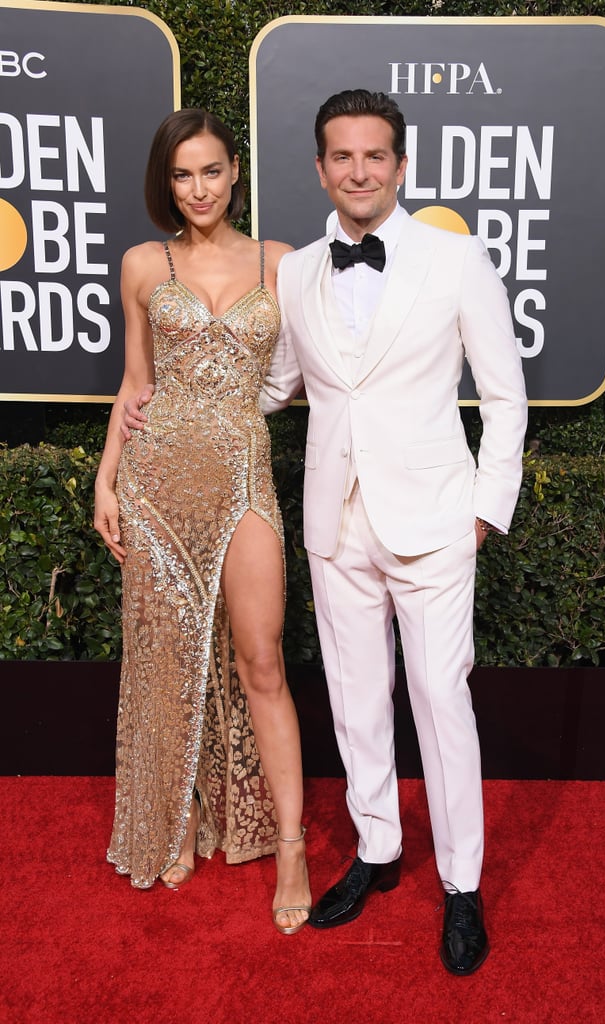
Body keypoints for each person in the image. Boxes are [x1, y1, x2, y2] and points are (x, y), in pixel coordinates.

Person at [125, 89, 528, 974]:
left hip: (431, 522)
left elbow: (504, 398)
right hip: (332, 521)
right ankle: (377, 849)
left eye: (374, 156)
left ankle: (461, 886)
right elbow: (275, 387)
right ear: (319, 168)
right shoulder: (297, 271)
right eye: (340, 157)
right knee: (354, 699)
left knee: (439, 700)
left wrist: (480, 514)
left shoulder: (457, 262)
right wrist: (179, 404)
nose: (357, 170)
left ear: (400, 165)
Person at [93, 109, 311, 935]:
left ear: (234, 173)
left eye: (211, 171)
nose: (198, 190)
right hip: (155, 484)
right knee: (166, 659)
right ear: (167, 181)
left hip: (245, 476)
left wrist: (240, 414)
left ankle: (288, 843)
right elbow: (134, 384)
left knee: (261, 660)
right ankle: (177, 815)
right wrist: (107, 482)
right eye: (182, 176)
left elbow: (304, 375)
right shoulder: (145, 264)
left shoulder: (282, 263)